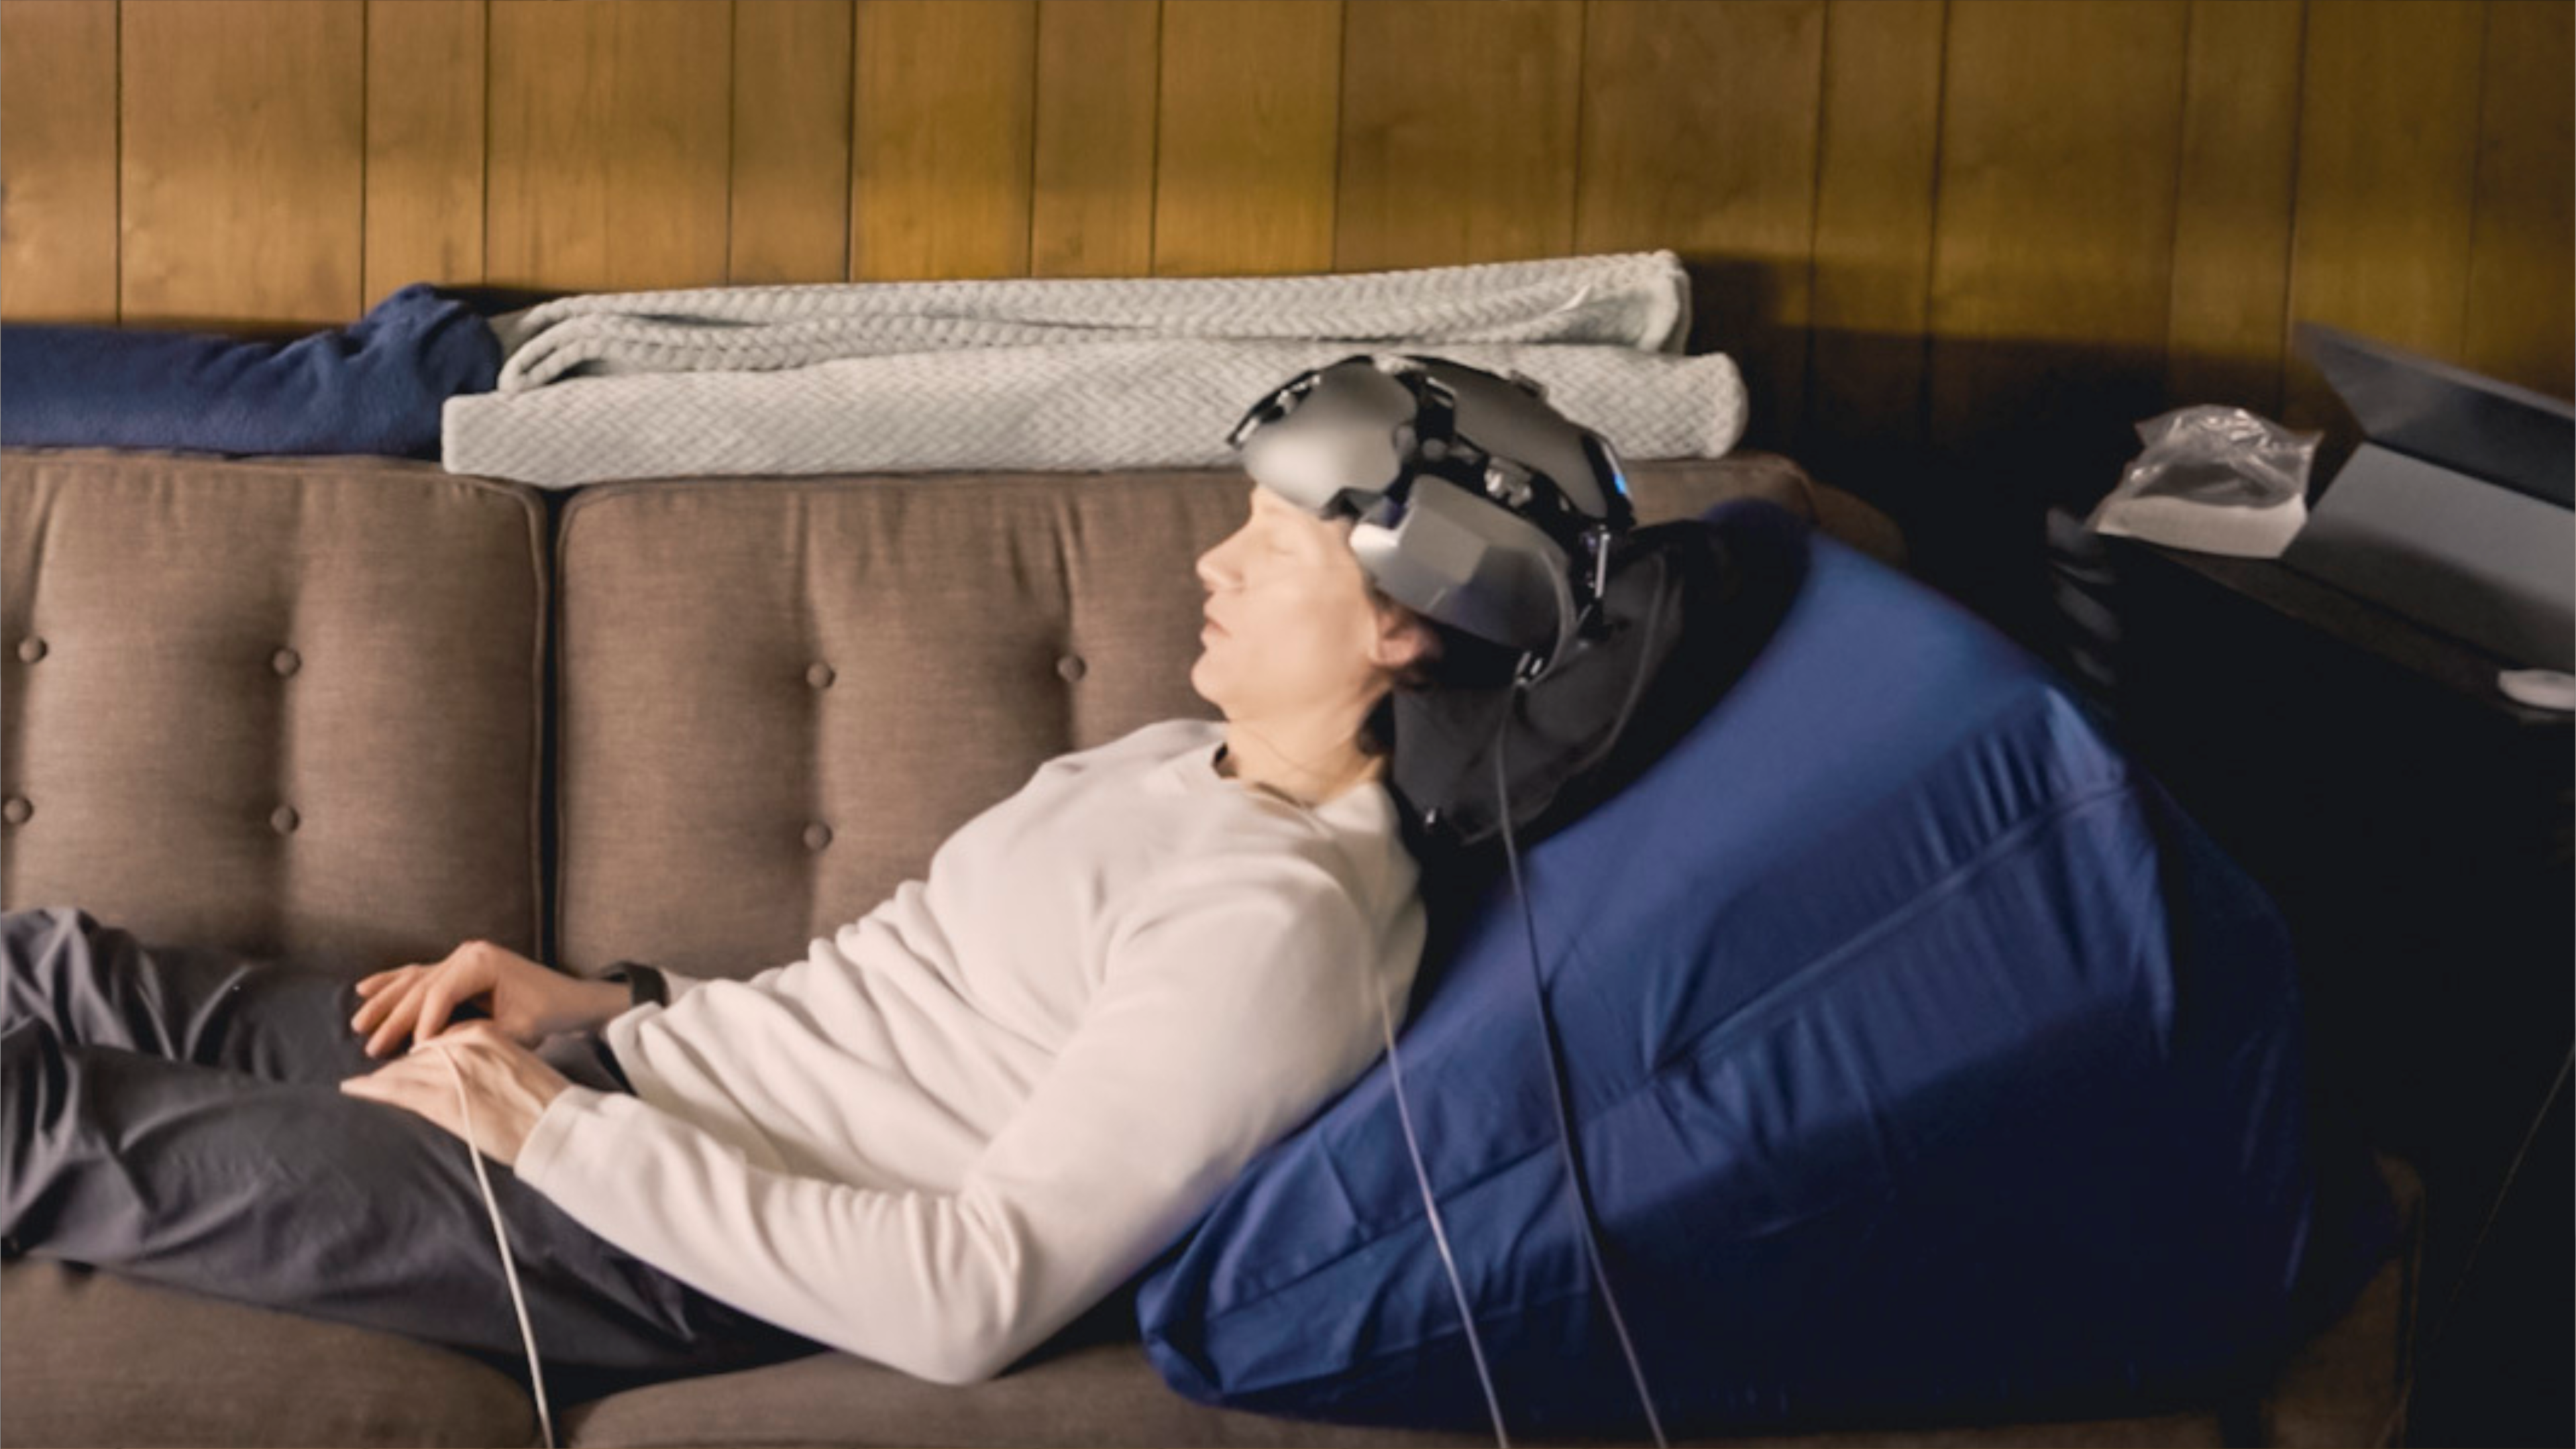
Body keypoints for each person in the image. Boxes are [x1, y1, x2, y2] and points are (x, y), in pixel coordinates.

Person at [0, 462, 1508, 1397]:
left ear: (1403, 624)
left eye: (1275, 549)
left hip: (647, 1241)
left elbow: (970, 1296)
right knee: (51, 967)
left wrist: (550, 1133)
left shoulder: (1279, 926)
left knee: (37, 1118)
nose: (1212, 563)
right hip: (625, 1082)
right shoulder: (1179, 759)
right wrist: (608, 1003)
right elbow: (893, 1016)